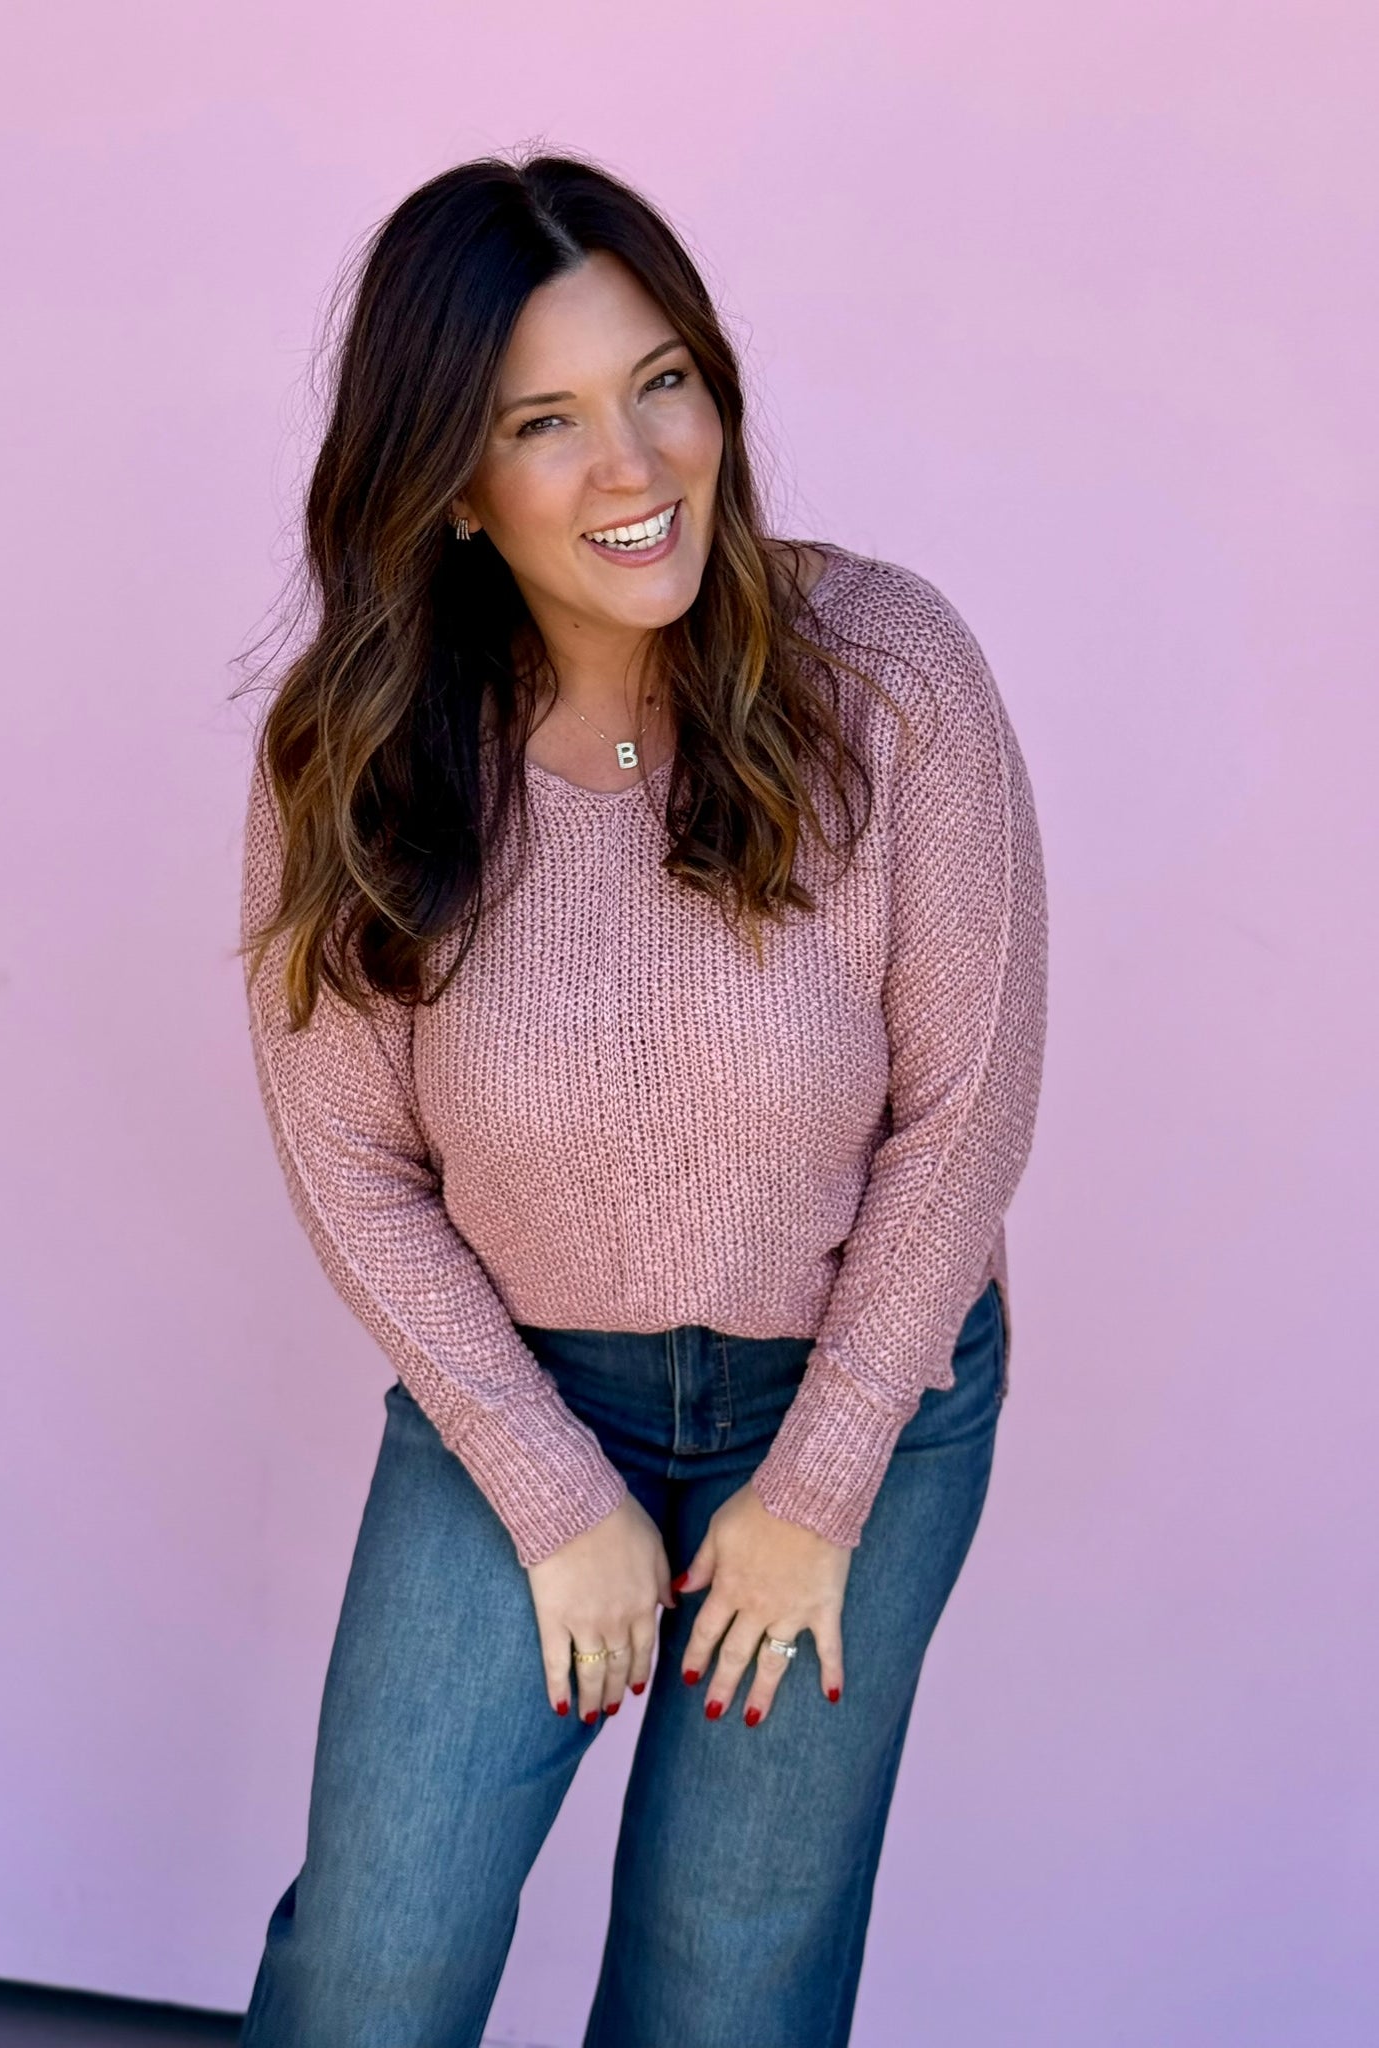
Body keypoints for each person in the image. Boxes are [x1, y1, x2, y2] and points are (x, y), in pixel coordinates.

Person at [234, 147, 1048, 2048]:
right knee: (374, 1963)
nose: (635, 464)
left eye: (662, 380)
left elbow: (967, 1114)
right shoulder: (359, 755)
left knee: (726, 1987)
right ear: (449, 483)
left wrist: (817, 1488)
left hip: (862, 1401)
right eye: (545, 421)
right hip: (519, 1391)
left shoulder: (894, 675)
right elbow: (350, 1161)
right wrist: (549, 1492)